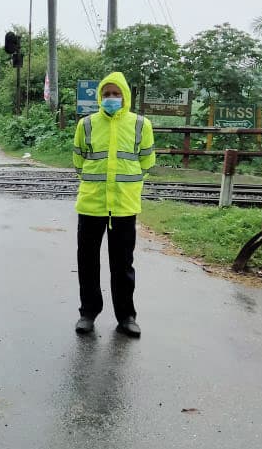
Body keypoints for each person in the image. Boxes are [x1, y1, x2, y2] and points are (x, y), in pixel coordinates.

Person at [71, 72, 155, 338]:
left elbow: (147, 162)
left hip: (124, 206)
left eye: (115, 94)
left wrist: (127, 186)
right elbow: (78, 161)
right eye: (106, 94)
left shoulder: (141, 125)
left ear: (125, 96)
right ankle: (88, 312)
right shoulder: (86, 124)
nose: (111, 98)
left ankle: (126, 316)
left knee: (123, 265)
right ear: (99, 97)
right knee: (87, 261)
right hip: (91, 204)